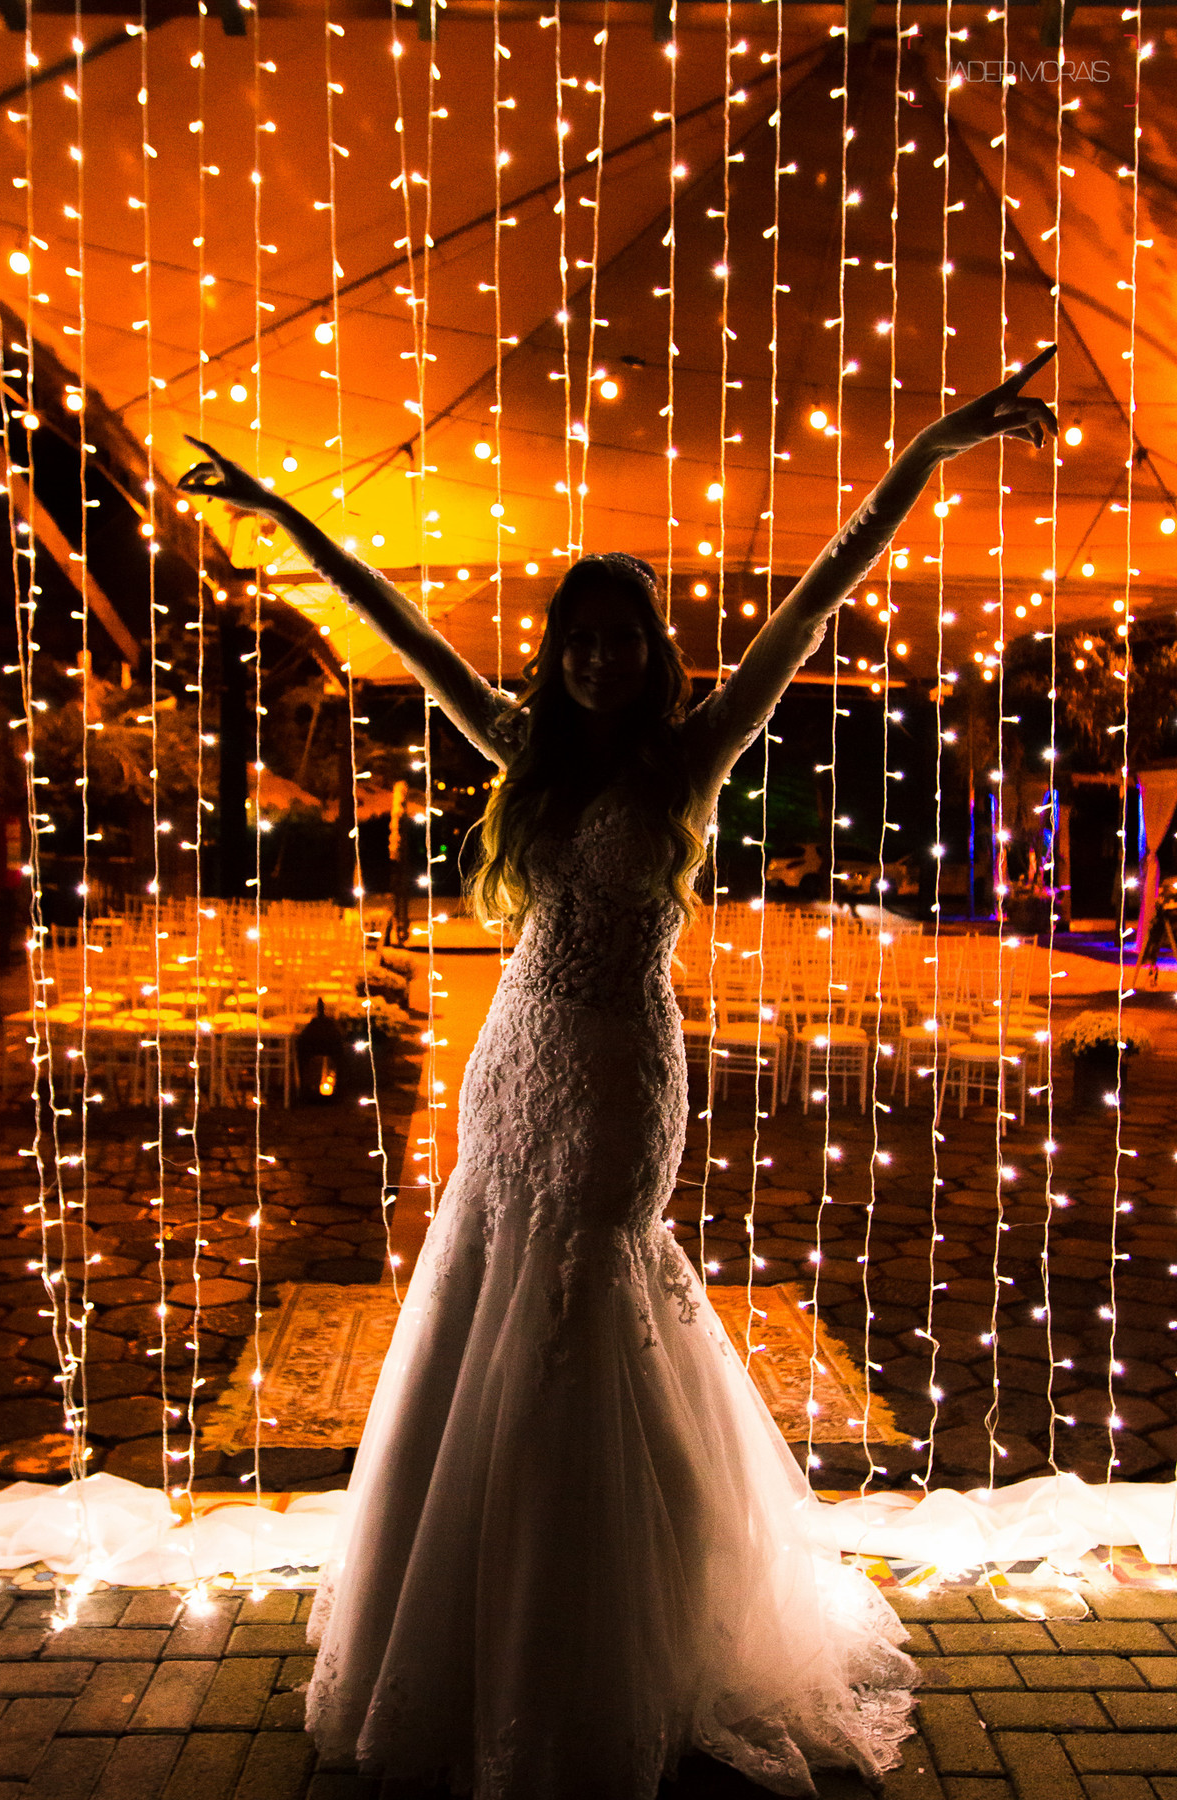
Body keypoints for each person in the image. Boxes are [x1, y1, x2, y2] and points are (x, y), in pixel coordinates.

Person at [178, 346, 1057, 1800]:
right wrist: (290, 514)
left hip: (620, 1080)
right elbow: (393, 618)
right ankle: (471, 1627)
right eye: (578, 636)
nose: (598, 658)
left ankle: (605, 1643)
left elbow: (823, 588)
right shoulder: (521, 750)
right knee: (484, 1291)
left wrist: (936, 446)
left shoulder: (693, 756)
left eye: (621, 638)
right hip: (514, 1060)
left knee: (590, 1301)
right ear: (557, 649)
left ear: (654, 653)